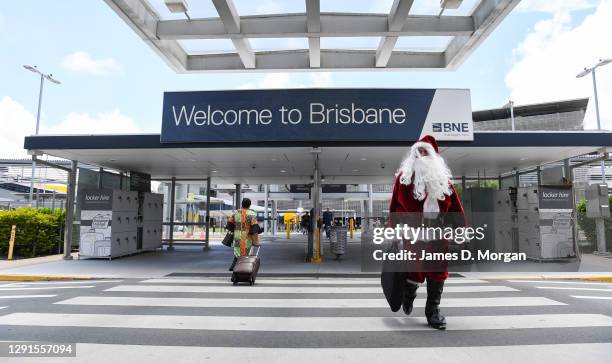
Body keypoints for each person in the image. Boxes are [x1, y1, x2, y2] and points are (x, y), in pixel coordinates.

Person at [389, 135, 465, 330]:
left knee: (438, 271)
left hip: (438, 232)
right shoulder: (403, 178)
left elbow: (456, 206)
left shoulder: (444, 181)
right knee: (414, 270)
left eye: (424, 151)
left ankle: (433, 311)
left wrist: (460, 229)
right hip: (412, 233)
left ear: (433, 156)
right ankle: (409, 294)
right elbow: (394, 206)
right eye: (417, 152)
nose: (420, 155)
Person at [227, 198, 261, 271]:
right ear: (249, 205)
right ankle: (240, 272)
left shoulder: (235, 213)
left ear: (242, 204)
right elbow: (255, 230)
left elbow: (229, 225)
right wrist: (256, 241)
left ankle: (236, 271)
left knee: (237, 255)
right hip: (247, 239)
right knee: (244, 257)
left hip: (237, 238)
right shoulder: (252, 215)